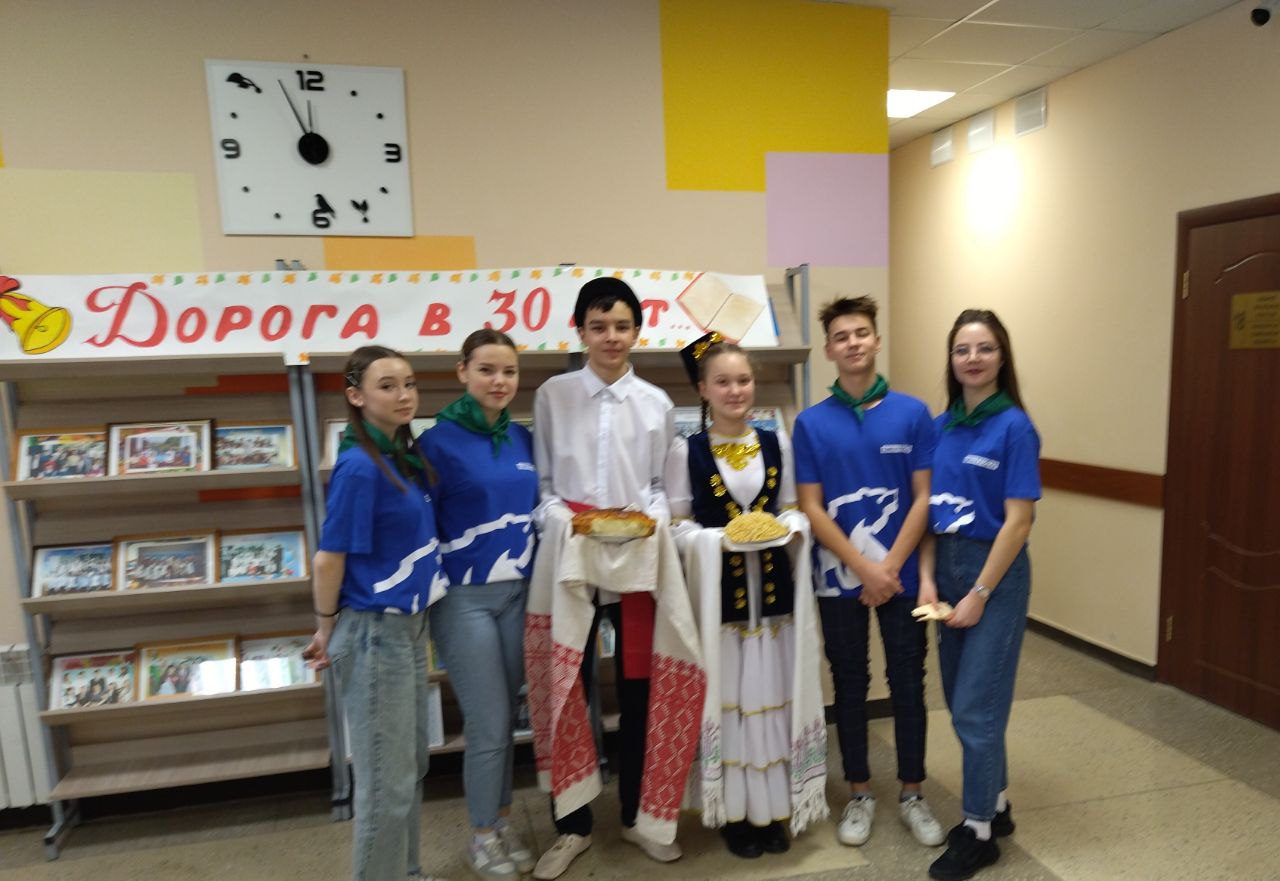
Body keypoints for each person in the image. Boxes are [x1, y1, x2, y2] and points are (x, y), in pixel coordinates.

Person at [526, 276, 694, 880]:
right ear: (580, 331)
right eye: (598, 327)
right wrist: (564, 522)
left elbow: (659, 487)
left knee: (640, 685)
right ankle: (571, 825)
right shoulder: (553, 395)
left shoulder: (655, 403)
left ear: (637, 331)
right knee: (567, 682)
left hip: (636, 559)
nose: (611, 337)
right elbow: (545, 486)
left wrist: (650, 520)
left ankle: (636, 816)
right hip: (571, 554)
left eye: (622, 326)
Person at [665, 333, 828, 859]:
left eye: (743, 380)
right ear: (703, 389)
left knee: (772, 699)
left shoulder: (777, 443)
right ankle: (736, 814)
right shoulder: (686, 451)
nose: (735, 390)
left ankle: (772, 809)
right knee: (733, 701)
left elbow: (793, 511)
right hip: (723, 606)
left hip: (775, 603)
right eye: (723, 382)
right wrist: (719, 540)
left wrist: (787, 528)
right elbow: (678, 526)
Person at [792, 296, 945, 850]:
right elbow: (811, 506)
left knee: (908, 679)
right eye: (841, 336)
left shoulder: (913, 414)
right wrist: (862, 567)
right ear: (829, 349)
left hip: (900, 576)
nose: (853, 343)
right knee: (849, 682)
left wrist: (890, 567)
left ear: (876, 341)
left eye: (861, 333)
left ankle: (913, 792)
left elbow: (924, 497)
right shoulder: (810, 423)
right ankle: (859, 791)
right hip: (837, 577)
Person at [303, 344, 450, 881]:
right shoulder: (361, 468)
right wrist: (326, 628)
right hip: (374, 632)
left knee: (407, 769)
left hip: (406, 630)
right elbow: (329, 558)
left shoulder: (399, 456)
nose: (403, 395)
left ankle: (406, 872)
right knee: (386, 782)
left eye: (409, 383)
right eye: (387, 386)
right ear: (356, 396)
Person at [920, 310, 1039, 881]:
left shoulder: (1015, 427)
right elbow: (925, 512)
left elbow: (1019, 522)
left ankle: (979, 832)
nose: (972, 358)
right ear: (951, 360)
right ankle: (997, 802)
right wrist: (928, 579)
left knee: (975, 705)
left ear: (1001, 357)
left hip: (995, 572)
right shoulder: (940, 427)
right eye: (962, 349)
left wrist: (980, 593)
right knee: (967, 698)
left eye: (984, 348)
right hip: (946, 568)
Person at [421, 329, 539, 879]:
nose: (499, 381)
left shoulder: (522, 437)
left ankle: (502, 819)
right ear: (462, 371)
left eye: (509, 371)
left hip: (519, 593)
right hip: (463, 599)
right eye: (487, 370)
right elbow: (419, 524)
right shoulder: (435, 443)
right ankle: (481, 835)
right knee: (488, 720)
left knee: (507, 716)